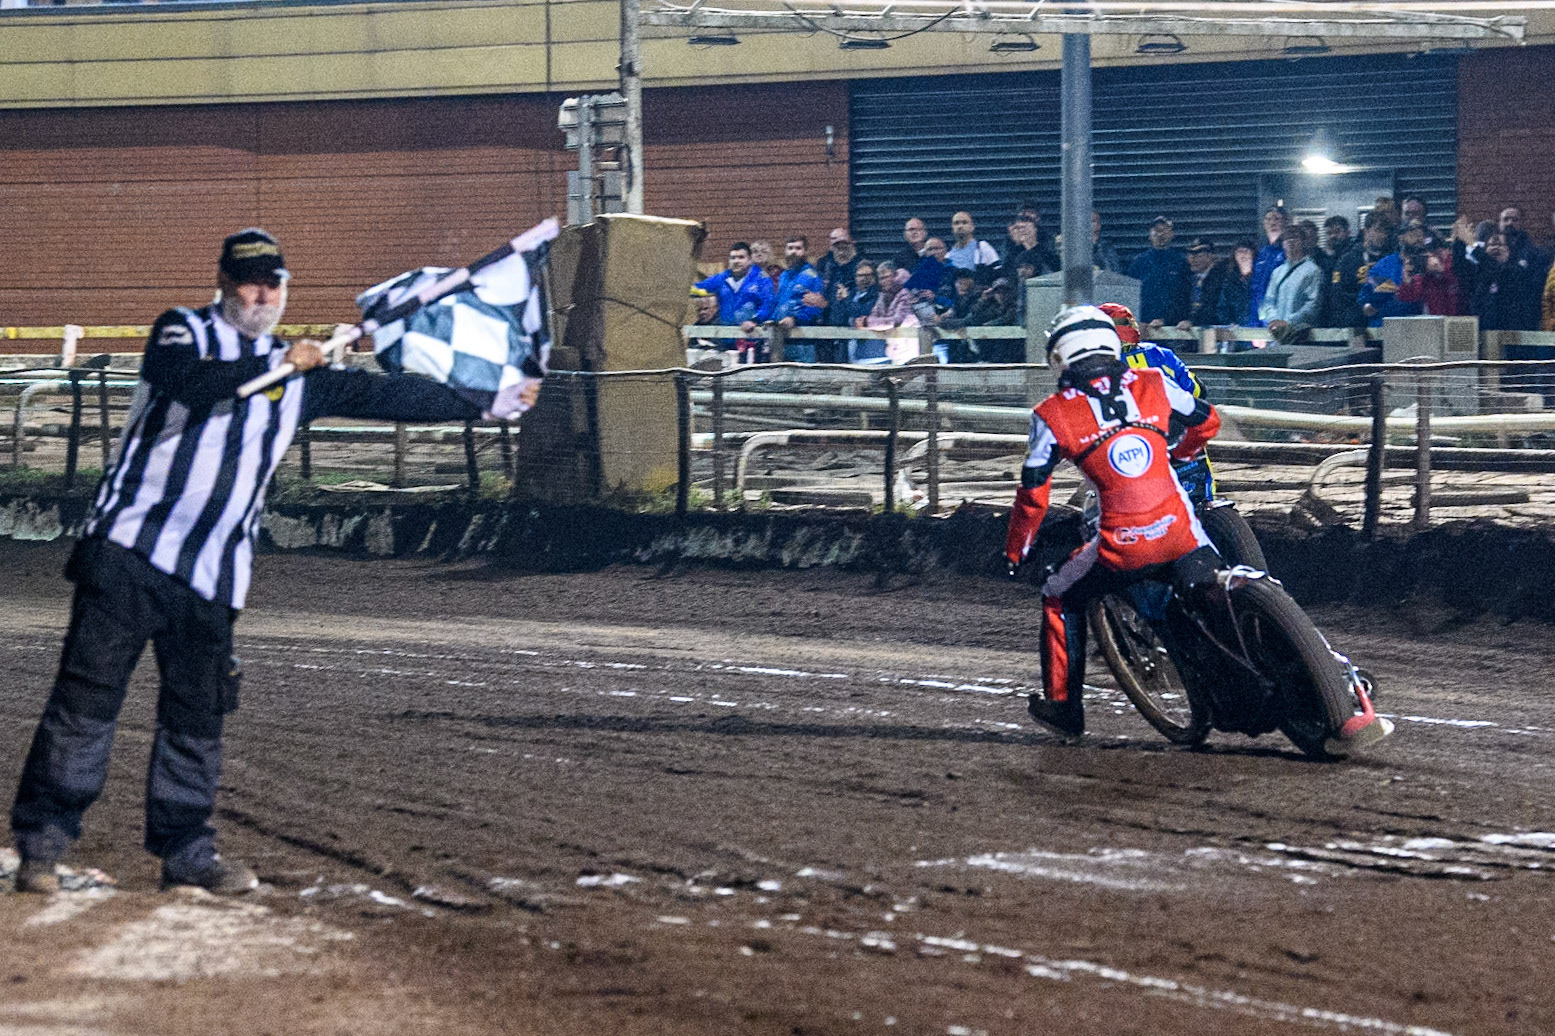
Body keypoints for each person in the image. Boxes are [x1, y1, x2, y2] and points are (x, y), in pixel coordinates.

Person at [9, 229, 490, 894]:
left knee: (197, 716)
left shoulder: (301, 372)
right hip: (127, 551)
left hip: (214, 572)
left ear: (284, 290)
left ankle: (187, 852)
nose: (260, 294)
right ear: (224, 283)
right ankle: (42, 846)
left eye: (271, 283)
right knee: (86, 702)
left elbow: (388, 398)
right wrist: (284, 366)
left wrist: (492, 398)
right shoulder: (182, 331)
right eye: (247, 281)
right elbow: (186, 381)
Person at [1002, 306, 1223, 738]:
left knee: (1057, 593)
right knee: (1226, 582)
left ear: (1060, 358)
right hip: (1183, 532)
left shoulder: (1051, 414)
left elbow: (1032, 494)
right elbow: (1207, 421)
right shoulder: (1154, 381)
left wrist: (1016, 551)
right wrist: (1179, 453)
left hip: (1120, 548)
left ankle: (1064, 709)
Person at [693, 242, 776, 358]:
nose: (736, 261)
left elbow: (769, 304)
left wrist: (755, 320)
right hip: (726, 340)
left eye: (741, 257)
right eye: (733, 258)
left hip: (753, 341)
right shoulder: (722, 278)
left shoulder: (762, 279)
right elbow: (697, 288)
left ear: (750, 259)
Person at [1259, 225, 1324, 339]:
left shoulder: (1313, 270)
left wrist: (1289, 322)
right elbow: (1268, 300)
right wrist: (1274, 319)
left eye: (1295, 238)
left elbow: (1313, 303)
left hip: (1300, 334)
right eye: (1287, 238)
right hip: (1277, 334)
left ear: (1303, 242)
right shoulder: (1277, 272)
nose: (1290, 241)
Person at [1126, 216, 1190, 326]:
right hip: (1144, 325)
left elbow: (1185, 296)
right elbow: (1129, 294)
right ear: (1149, 234)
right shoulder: (1139, 262)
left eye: (1165, 230)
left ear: (1172, 234)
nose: (1160, 234)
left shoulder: (1181, 262)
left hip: (1174, 327)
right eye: (1156, 230)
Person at [1246, 206, 1289, 326]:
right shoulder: (1261, 252)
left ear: (1285, 222)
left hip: (1280, 316)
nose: (1272, 223)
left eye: (1277, 219)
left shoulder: (1287, 251)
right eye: (1268, 219)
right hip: (1259, 315)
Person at [1179, 238, 1229, 329]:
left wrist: (1193, 322)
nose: (1192, 260)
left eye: (1198, 256)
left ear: (1210, 256)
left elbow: (1213, 305)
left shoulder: (1222, 278)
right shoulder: (1188, 278)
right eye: (1190, 255)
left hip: (1214, 330)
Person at [1216, 241, 1256, 327]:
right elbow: (1223, 307)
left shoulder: (1260, 278)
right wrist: (1230, 323)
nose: (1242, 255)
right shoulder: (1230, 282)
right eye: (1239, 252)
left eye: (1245, 251)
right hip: (1237, 329)